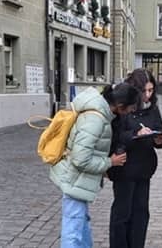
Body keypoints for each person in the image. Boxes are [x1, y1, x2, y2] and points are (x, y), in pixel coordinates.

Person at [50, 85, 130, 248]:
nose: (130, 112)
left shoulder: (100, 113)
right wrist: (109, 162)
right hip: (75, 180)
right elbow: (80, 159)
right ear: (120, 106)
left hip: (78, 181)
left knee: (81, 224)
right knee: (73, 230)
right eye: (130, 108)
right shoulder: (96, 119)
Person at [108, 71, 162, 248]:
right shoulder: (123, 105)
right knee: (122, 213)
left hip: (144, 168)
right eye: (144, 91)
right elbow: (115, 136)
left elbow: (159, 128)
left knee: (141, 213)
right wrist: (135, 134)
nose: (148, 95)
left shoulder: (152, 108)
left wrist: (159, 139)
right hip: (124, 167)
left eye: (151, 91)